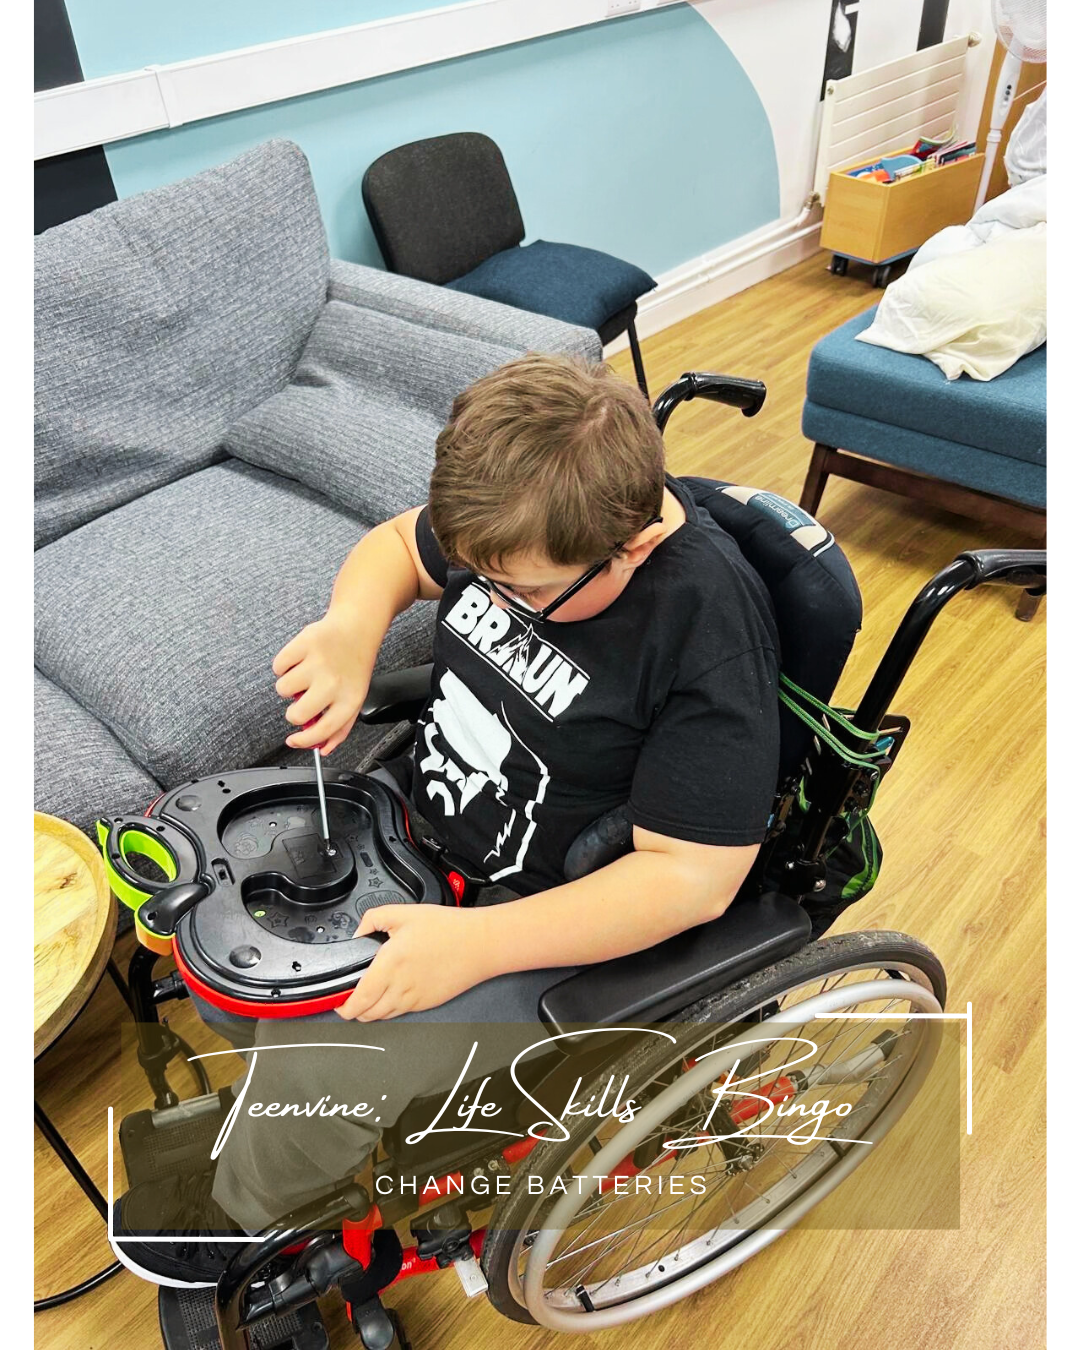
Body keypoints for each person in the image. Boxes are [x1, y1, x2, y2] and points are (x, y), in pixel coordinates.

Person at [111, 353, 780, 1288]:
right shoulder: (530, 518)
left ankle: (255, 1222)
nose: (489, 599)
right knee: (225, 939)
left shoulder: (707, 635)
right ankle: (320, 1138)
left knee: (323, 1065)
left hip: (546, 917)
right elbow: (397, 548)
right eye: (477, 578)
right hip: (418, 827)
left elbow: (693, 878)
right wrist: (352, 630)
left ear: (630, 547)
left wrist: (479, 945)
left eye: (522, 593)